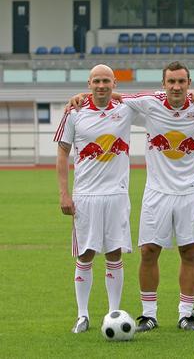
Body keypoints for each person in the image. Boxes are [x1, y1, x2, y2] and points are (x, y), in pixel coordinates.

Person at [70, 61, 194, 332]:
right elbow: (114, 95)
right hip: (156, 192)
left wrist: (193, 136)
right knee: (148, 252)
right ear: (163, 84)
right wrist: (81, 97)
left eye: (181, 82)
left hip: (191, 191)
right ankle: (149, 315)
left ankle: (185, 314)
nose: (176, 86)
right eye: (171, 81)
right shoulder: (149, 103)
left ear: (189, 84)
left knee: (189, 252)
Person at [56, 64, 137, 333]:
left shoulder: (126, 109)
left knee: (114, 253)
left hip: (116, 195)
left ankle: (113, 311)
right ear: (89, 83)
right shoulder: (74, 113)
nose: (101, 86)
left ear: (115, 84)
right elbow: (62, 154)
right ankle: (82, 315)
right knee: (85, 253)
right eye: (96, 81)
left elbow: (162, 97)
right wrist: (64, 193)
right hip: (86, 196)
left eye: (106, 81)